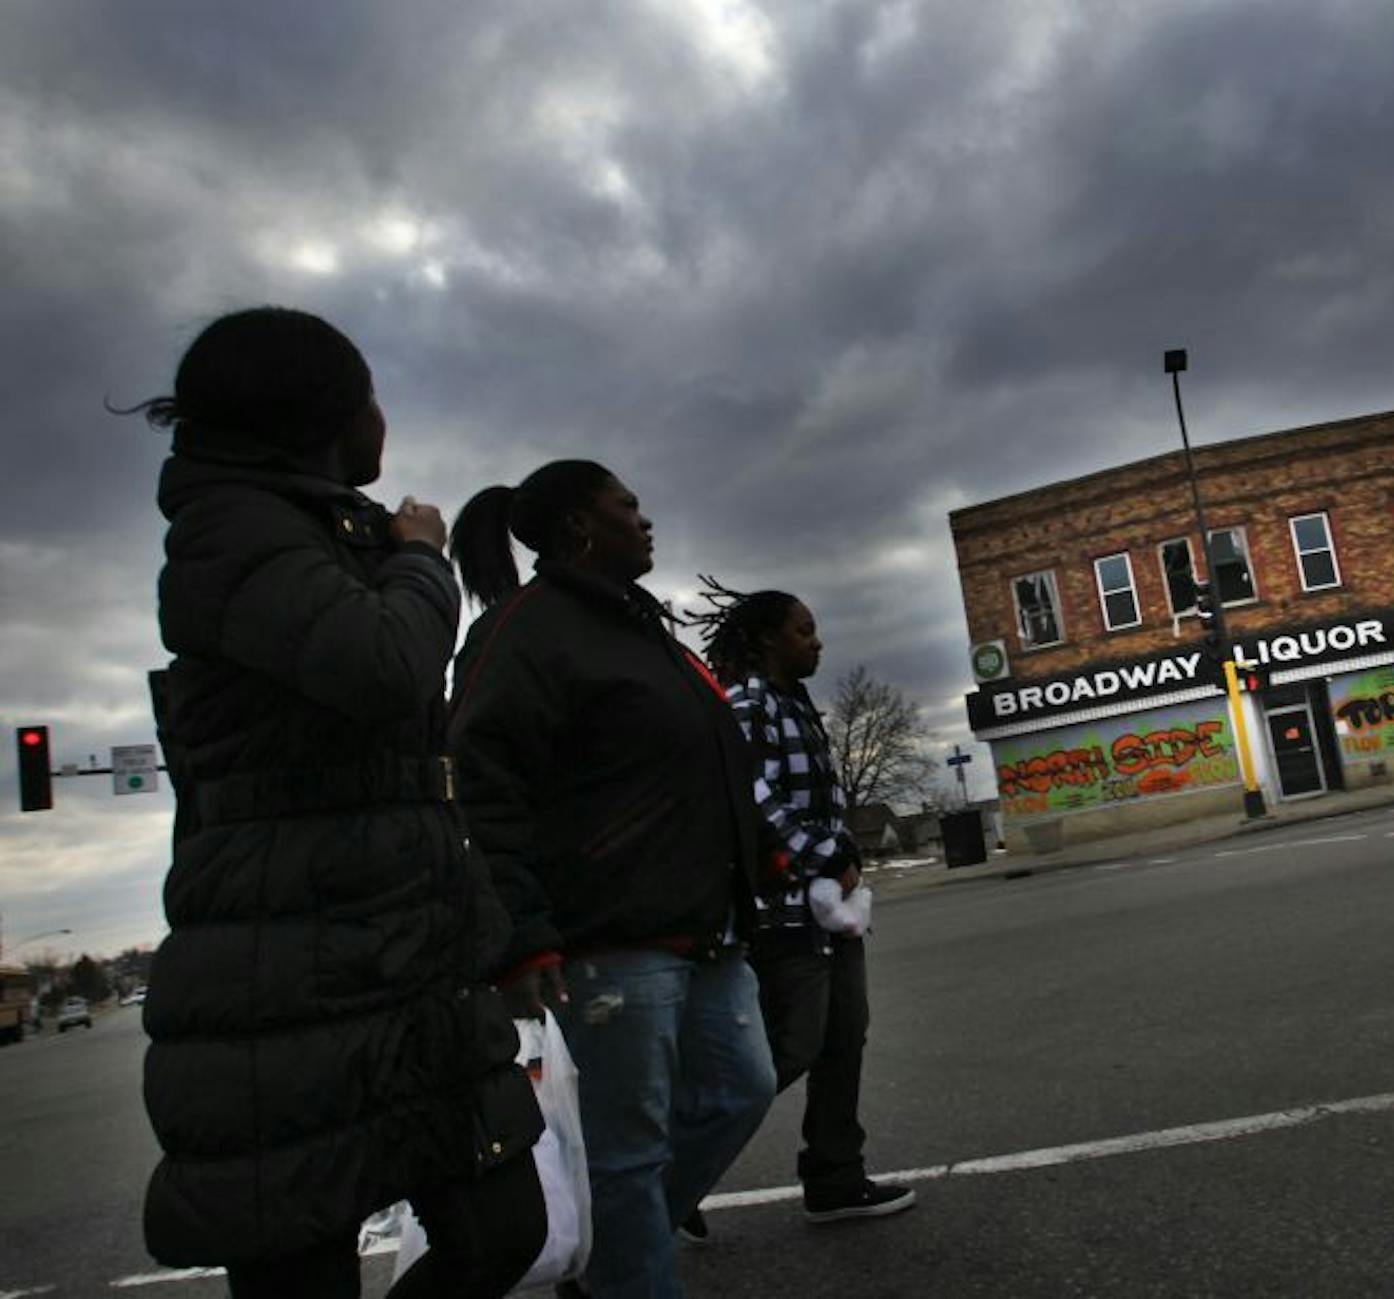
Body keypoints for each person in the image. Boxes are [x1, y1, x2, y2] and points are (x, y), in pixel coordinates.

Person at [136, 307, 545, 1299]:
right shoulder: (230, 530)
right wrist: (421, 557)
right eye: (370, 395)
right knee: (301, 1271)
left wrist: (489, 936)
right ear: (320, 412)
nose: (383, 419)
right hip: (285, 971)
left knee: (502, 1230)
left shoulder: (314, 529)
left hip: (407, 950)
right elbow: (384, 667)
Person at [447, 463, 776, 1299]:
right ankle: (626, 1265)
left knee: (741, 1089)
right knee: (626, 1153)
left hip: (705, 922)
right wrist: (520, 933)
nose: (644, 517)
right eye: (626, 505)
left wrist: (759, 854)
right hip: (609, 938)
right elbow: (484, 788)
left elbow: (695, 759)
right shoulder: (527, 632)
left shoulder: (640, 625)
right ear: (579, 527)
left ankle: (607, 1256)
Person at [691, 584, 916, 1228]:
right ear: (767, 639)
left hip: (828, 910)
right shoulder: (747, 703)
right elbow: (749, 794)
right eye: (804, 630)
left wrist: (842, 848)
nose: (816, 642)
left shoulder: (797, 704)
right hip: (780, 912)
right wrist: (823, 852)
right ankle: (670, 1174)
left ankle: (835, 1178)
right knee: (785, 1052)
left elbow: (817, 800)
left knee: (846, 1036)